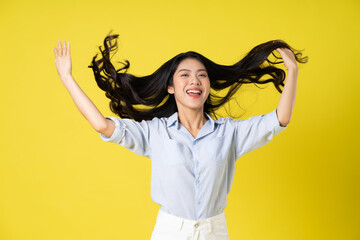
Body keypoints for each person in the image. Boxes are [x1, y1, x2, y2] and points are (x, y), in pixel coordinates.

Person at [53, 33, 308, 240]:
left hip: (215, 233)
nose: (194, 81)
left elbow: (280, 119)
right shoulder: (155, 132)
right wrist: (67, 78)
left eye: (202, 75)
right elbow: (101, 125)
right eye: (185, 75)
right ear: (171, 87)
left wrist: (292, 71)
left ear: (208, 85)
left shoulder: (229, 134)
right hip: (170, 233)